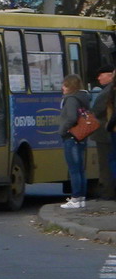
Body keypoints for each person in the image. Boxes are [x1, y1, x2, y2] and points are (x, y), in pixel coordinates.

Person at [58, 74, 91, 209]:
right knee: (80, 168)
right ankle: (81, 198)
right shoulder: (83, 97)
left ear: (70, 86)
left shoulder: (71, 99)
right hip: (81, 136)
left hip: (71, 137)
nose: (62, 88)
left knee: (73, 169)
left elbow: (71, 117)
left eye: (65, 85)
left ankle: (75, 198)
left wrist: (62, 130)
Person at [94, 64, 116, 199]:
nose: (98, 78)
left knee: (107, 163)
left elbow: (97, 110)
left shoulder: (107, 92)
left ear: (110, 76)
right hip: (108, 131)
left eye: (101, 75)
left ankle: (108, 193)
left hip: (105, 132)